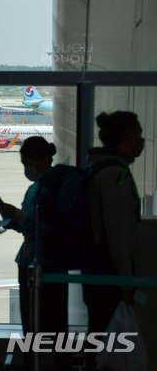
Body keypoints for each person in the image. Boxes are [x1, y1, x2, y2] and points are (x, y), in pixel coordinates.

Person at [0, 136, 69, 371]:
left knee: (51, 326)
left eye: (28, 164)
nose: (27, 170)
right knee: (31, 325)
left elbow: (43, 227)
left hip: (46, 262)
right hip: (30, 260)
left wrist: (13, 212)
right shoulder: (35, 188)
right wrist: (5, 210)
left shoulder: (54, 189)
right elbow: (27, 224)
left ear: (45, 160)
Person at [83, 111, 144, 370]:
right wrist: (126, 280)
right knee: (108, 349)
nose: (140, 142)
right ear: (128, 138)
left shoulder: (97, 169)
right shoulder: (115, 176)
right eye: (138, 136)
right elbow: (118, 233)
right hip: (109, 275)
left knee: (100, 341)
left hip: (97, 272)